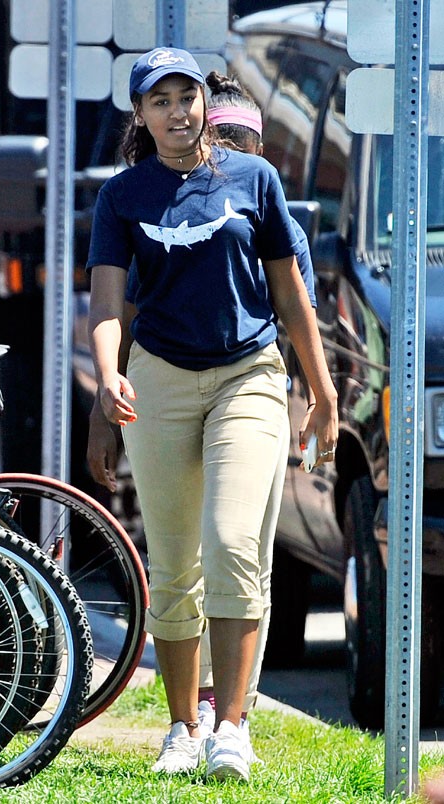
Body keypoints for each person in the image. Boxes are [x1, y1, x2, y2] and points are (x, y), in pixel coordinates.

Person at [86, 47, 338, 780]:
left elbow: (291, 295)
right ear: (140, 115)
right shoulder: (122, 197)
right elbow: (109, 305)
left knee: (232, 544)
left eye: (186, 96)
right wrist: (107, 384)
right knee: (172, 568)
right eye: (158, 100)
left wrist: (320, 392)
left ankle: (233, 726)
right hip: (158, 378)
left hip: (248, 375)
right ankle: (182, 726)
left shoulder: (254, 180)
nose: (176, 111)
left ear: (205, 102)